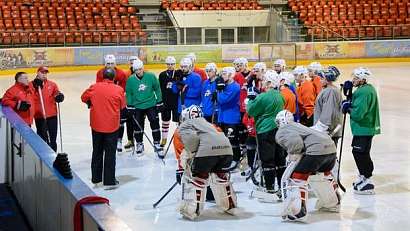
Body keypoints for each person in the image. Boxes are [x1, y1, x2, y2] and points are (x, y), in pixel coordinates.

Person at [275, 110, 341, 222]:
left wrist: (293, 154)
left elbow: (296, 143)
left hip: (316, 152)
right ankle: (332, 203)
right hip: (331, 149)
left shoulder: (283, 130)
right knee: (322, 175)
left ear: (281, 121)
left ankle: (298, 211)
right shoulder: (299, 126)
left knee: (297, 177)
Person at [177, 105, 237, 220]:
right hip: (227, 150)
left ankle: (194, 209)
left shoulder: (185, 125)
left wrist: (187, 163)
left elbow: (191, 146)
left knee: (199, 178)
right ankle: (230, 205)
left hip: (207, 153)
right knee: (221, 178)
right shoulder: (208, 124)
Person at [81, 68, 126, 189]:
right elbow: (122, 106)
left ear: (103, 76)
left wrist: (90, 102)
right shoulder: (119, 89)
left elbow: (83, 97)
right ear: (114, 78)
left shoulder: (94, 87)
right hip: (112, 126)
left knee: (97, 151)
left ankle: (96, 178)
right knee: (110, 154)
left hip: (96, 125)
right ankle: (109, 180)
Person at [341, 67, 380, 195]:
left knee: (360, 153)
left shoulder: (365, 92)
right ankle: (364, 176)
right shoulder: (364, 89)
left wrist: (348, 108)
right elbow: (355, 102)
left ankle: (367, 180)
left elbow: (358, 114)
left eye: (356, 78)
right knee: (360, 152)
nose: (354, 80)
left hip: (364, 127)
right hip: (364, 128)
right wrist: (349, 94)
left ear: (363, 79)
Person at [246, 70, 286, 194]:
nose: (262, 83)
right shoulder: (280, 95)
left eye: (264, 81)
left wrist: (250, 100)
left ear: (269, 82)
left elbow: (251, 111)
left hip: (265, 130)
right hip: (279, 129)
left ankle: (270, 188)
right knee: (280, 159)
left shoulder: (263, 97)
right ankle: (281, 185)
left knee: (267, 160)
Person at [126, 59, 164, 157]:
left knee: (155, 124)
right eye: (136, 70)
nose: (138, 72)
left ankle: (156, 143)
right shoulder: (130, 79)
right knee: (138, 126)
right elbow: (129, 93)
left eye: (140, 69)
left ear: (143, 68)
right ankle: (139, 143)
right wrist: (129, 105)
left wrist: (159, 101)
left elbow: (157, 88)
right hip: (137, 106)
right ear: (133, 70)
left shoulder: (151, 76)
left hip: (151, 104)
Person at [30, 66, 64, 152]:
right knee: (42, 138)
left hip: (52, 115)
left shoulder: (52, 84)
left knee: (52, 139)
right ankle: (43, 157)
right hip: (40, 116)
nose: (44, 74)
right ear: (37, 73)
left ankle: (53, 156)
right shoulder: (31, 85)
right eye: (42, 72)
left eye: (45, 73)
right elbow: (28, 96)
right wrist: (35, 86)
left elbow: (56, 93)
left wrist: (59, 96)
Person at [216, 67, 241, 170]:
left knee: (232, 141)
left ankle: (235, 160)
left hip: (231, 118)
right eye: (222, 74)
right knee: (224, 140)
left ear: (231, 75)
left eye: (225, 74)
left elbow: (223, 100)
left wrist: (218, 92)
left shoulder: (235, 87)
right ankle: (226, 159)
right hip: (222, 117)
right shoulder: (225, 85)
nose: (222, 76)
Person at [312, 67, 343, 144]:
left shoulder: (330, 91)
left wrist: (322, 130)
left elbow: (328, 113)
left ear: (328, 79)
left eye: (322, 78)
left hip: (327, 132)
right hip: (327, 131)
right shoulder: (329, 89)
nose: (320, 80)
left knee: (328, 155)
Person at [158, 56, 181, 147]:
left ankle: (179, 138)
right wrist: (160, 101)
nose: (170, 66)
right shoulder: (162, 75)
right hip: (166, 102)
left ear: (175, 64)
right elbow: (159, 89)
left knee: (178, 122)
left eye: (172, 64)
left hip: (176, 102)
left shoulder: (178, 73)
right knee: (165, 121)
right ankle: (164, 138)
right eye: (168, 64)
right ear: (166, 64)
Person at [233, 57, 251, 154]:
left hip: (250, 106)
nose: (238, 67)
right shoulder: (236, 76)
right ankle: (242, 144)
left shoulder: (253, 75)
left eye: (240, 65)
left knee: (250, 125)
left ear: (245, 65)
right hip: (240, 106)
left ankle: (250, 144)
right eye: (237, 65)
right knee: (241, 126)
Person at [122, 56, 139, 151]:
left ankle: (139, 140)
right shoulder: (126, 74)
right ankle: (130, 140)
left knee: (139, 122)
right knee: (129, 122)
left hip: (140, 102)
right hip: (129, 102)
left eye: (134, 62)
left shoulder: (143, 72)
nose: (133, 65)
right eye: (131, 63)